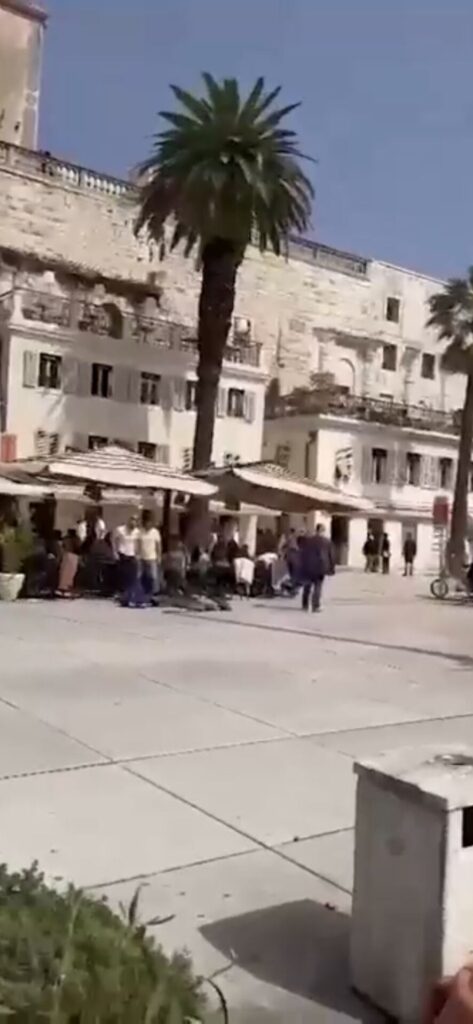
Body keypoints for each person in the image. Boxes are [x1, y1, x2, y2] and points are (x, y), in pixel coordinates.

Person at [299, 523, 335, 612]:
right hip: (321, 567)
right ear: (323, 531)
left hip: (309, 566)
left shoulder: (308, 540)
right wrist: (332, 568)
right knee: (318, 586)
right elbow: (331, 556)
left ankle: (305, 604)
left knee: (307, 585)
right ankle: (316, 606)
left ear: (316, 530)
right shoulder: (327, 541)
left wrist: (302, 565)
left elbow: (303, 553)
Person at [114, 515, 140, 595]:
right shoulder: (120, 530)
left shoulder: (137, 532)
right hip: (122, 553)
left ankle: (130, 591)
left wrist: (138, 554)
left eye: (136, 521)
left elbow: (137, 543)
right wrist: (115, 552)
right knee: (122, 574)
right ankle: (121, 591)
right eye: (132, 520)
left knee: (131, 574)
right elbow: (114, 540)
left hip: (132, 554)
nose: (134, 523)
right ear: (129, 520)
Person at [138, 510, 162, 596]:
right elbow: (138, 544)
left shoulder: (155, 532)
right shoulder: (140, 532)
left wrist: (159, 556)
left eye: (149, 522)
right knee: (141, 576)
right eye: (146, 522)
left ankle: (154, 593)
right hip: (142, 557)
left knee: (153, 576)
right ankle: (142, 592)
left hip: (152, 557)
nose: (148, 524)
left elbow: (158, 545)